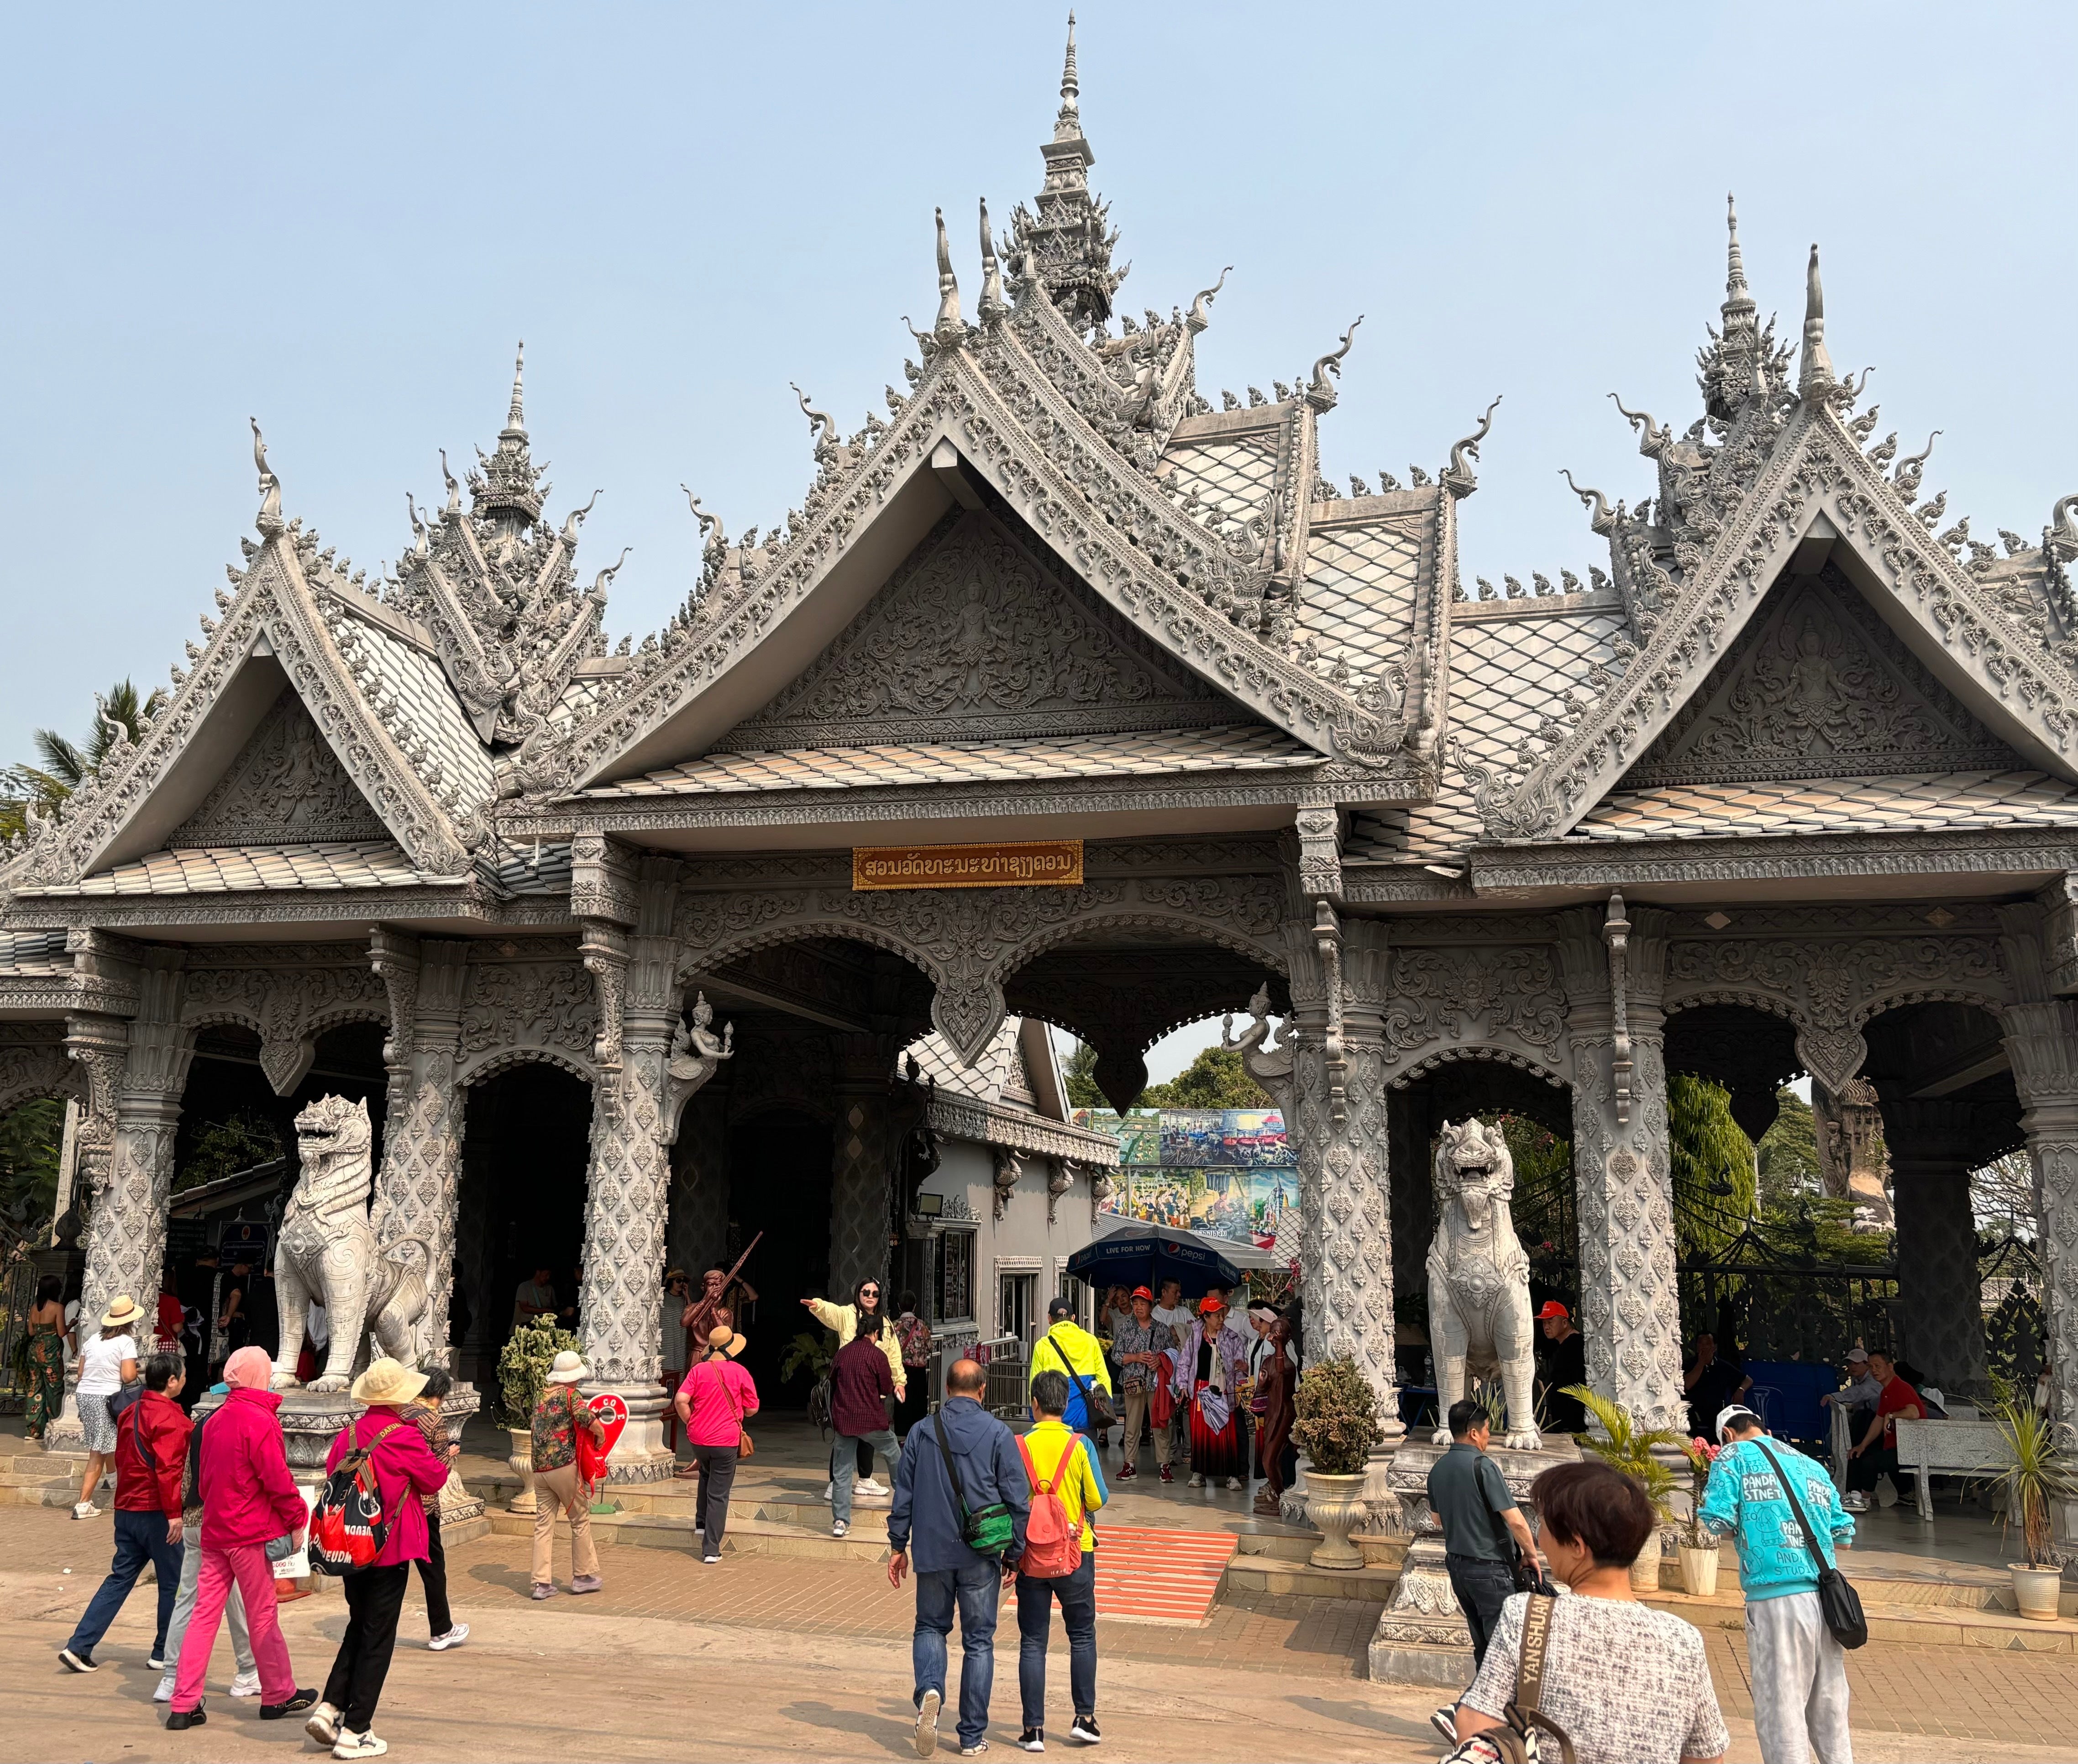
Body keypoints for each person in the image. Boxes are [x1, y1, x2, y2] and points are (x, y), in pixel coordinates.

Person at [1449, 1460, 1730, 1764]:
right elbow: (1706, 1755)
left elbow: (1474, 1725)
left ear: (1577, 1545)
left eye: (1545, 1524)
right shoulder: (1684, 1639)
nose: (1540, 1537)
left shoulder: (1527, 1617)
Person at [302, 1359, 452, 1760]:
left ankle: (331, 1706)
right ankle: (357, 1730)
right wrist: (447, 1455)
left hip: (350, 1547)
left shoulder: (347, 1433)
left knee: (361, 1625)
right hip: (390, 1547)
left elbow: (336, 1476)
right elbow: (434, 1478)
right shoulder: (402, 1435)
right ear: (401, 1396)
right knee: (378, 1638)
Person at [165, 1345, 315, 1733]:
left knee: (203, 1615)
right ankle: (278, 1693)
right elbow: (277, 1479)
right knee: (262, 1613)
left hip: (216, 1531)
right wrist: (298, 1515)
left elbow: (203, 1481)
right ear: (259, 1377)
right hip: (249, 1533)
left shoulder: (213, 1422)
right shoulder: (259, 1419)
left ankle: (184, 1702)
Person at [889, 1357, 1030, 1759]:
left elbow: (904, 1493)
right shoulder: (1000, 1433)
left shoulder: (920, 1431)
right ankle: (970, 1737)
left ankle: (930, 1689)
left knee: (931, 1626)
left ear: (946, 1389)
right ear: (982, 1390)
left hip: (932, 1550)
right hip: (981, 1554)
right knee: (979, 1641)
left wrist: (898, 1546)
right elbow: (1018, 1500)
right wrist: (1014, 1554)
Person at [1701, 1406, 1854, 1764]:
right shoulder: (1809, 1463)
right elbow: (1844, 1535)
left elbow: (1716, 1522)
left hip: (1776, 1598)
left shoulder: (1731, 1455)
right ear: (1763, 1427)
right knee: (1830, 1705)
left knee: (1781, 1705)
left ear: (1727, 1434)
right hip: (1827, 1599)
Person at [60, 1351, 189, 1674]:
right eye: (182, 1375)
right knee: (173, 1582)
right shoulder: (173, 1420)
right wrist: (175, 1514)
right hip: (157, 1511)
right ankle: (163, 1651)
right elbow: (169, 1470)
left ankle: (80, 1645)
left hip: (127, 1507)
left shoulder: (130, 1411)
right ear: (172, 1381)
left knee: (119, 1578)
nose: (185, 1380)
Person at [1013, 1368, 1107, 1752]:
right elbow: (1098, 1499)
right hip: (1075, 1552)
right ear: (1066, 1405)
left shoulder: (1018, 1445)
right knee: (1082, 1635)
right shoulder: (1081, 1445)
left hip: (1031, 1553)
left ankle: (1033, 1729)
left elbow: (1011, 1497)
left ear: (1034, 1404)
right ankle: (1084, 1718)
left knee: (1033, 1641)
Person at [154, 1374, 262, 1705]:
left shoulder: (202, 1424)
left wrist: (184, 1514)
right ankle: (246, 1670)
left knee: (198, 1598)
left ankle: (173, 1676)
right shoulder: (244, 1423)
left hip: (196, 1519)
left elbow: (187, 1474)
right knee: (237, 1599)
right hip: (225, 1523)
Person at [1427, 1399, 1543, 1678]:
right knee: (1503, 1649)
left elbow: (1437, 1520)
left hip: (1458, 1568)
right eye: (1487, 1429)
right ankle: (1494, 1712)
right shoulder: (1483, 1467)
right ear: (1474, 1433)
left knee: (1482, 1646)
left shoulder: (1437, 1471)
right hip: (1489, 1570)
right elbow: (1515, 1521)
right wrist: (1531, 1555)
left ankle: (1481, 1706)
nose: (1490, 1435)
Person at [805, 1278, 904, 1498]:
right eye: (865, 1292)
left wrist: (900, 1381)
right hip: (848, 1388)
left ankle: (866, 1480)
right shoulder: (848, 1314)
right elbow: (832, 1312)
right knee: (845, 1436)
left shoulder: (885, 1323)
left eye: (875, 1294)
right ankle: (835, 1482)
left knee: (868, 1435)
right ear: (858, 1293)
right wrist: (818, 1305)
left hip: (872, 1389)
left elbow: (894, 1354)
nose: (870, 1296)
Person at [675, 1326, 758, 1563]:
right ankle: (711, 1549)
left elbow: (681, 1400)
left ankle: (701, 1523)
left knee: (705, 1473)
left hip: (698, 1439)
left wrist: (691, 1422)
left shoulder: (698, 1370)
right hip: (726, 1440)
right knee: (719, 1493)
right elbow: (752, 1410)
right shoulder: (740, 1372)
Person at [530, 1349, 606, 1597]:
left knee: (543, 1525)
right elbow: (589, 1420)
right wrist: (601, 1436)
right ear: (573, 1376)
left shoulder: (540, 1396)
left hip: (540, 1469)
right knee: (580, 1519)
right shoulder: (571, 1396)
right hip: (564, 1466)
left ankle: (541, 1584)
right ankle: (583, 1576)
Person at [404, 1365, 468, 1651]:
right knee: (433, 1568)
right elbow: (438, 1470)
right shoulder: (433, 1420)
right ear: (440, 1395)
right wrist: (450, 1453)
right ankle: (441, 1629)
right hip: (424, 1506)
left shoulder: (401, 1413)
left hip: (396, 1505)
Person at [1171, 1294, 1250, 1490]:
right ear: (1205, 1317)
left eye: (1222, 1314)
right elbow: (1185, 1362)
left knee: (1227, 1432)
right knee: (1201, 1432)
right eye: (1216, 1316)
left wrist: (1241, 1386)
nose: (1221, 1319)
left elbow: (1241, 1366)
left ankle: (1232, 1475)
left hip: (1225, 1390)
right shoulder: (1195, 1337)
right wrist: (1182, 1385)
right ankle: (1199, 1473)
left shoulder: (1232, 1338)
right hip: (1201, 1389)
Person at [74, 1294, 142, 1518]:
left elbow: (81, 1372)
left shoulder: (92, 1340)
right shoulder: (126, 1342)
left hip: (85, 1395)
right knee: (98, 1451)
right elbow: (128, 1375)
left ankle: (112, 1479)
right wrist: (138, 1368)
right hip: (107, 1398)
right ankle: (83, 1503)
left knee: (108, 1440)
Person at [831, 1327, 899, 1539]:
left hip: (844, 1420)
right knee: (893, 1452)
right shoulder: (878, 1355)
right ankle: (907, 1495)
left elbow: (832, 1379)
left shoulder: (843, 1353)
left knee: (842, 1471)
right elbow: (887, 1387)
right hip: (870, 1420)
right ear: (876, 1333)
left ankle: (840, 1522)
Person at [1108, 1286, 1175, 1482]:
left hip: (1155, 1384)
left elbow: (1173, 1354)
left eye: (1142, 1304)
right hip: (1133, 1383)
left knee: (1160, 1423)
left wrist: (1160, 1360)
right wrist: (1136, 1357)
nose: (1138, 1308)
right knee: (1132, 1425)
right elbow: (1116, 1355)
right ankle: (1129, 1464)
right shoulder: (1126, 1328)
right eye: (1135, 1304)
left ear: (1150, 1306)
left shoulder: (1161, 1329)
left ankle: (1165, 1465)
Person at [1845, 1347, 1924, 1513]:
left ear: (1890, 1367)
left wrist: (1892, 1415)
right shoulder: (1886, 1391)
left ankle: (1864, 1500)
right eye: (1871, 1367)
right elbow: (1879, 1419)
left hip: (1910, 1449)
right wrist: (1863, 1445)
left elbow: (1914, 1412)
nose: (1874, 1370)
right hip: (1895, 1446)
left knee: (1871, 1461)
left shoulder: (1900, 1387)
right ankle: (1854, 1495)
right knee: (1857, 1453)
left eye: (1878, 1366)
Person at [1029, 1296, 1112, 1434]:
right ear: (1073, 1318)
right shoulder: (1090, 1341)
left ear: (1050, 1318)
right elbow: (1103, 1378)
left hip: (1054, 1421)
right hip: (1085, 1420)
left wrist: (1035, 1415)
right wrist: (1106, 1408)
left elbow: (1035, 1385)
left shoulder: (1043, 1346)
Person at [1252, 1316, 1299, 1517]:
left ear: (1287, 1338)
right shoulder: (1269, 1361)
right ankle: (1276, 1494)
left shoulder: (1288, 1364)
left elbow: (1281, 1369)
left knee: (1269, 1459)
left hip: (1284, 1413)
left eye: (1279, 1332)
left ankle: (1280, 1494)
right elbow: (1264, 1386)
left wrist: (1279, 1345)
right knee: (1273, 1458)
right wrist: (1262, 1384)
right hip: (1272, 1412)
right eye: (1274, 1331)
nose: (1275, 1335)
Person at [1150, 1279, 1193, 1469]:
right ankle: (1169, 1452)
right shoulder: (1155, 1315)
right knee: (1167, 1412)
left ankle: (1189, 1451)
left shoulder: (1184, 1312)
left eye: (1180, 1291)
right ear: (1164, 1292)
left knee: (1187, 1412)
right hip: (1165, 1372)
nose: (1178, 1295)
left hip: (1186, 1370)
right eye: (1175, 1291)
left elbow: (1195, 1333)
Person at [1684, 1332, 1752, 1444]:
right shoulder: (1688, 1364)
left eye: (1708, 1344)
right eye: (1701, 1344)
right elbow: (1687, 1384)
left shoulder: (1722, 1366)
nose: (1704, 1347)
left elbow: (1748, 1380)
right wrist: (1701, 1363)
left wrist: (1741, 1390)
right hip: (1692, 1413)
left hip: (1715, 1413)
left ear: (1714, 1347)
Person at [26, 1274, 69, 1441]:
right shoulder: (58, 1307)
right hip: (50, 1351)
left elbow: (31, 1332)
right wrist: (71, 1325)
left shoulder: (34, 1308)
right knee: (55, 1388)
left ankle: (33, 1430)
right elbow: (61, 1332)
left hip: (34, 1350)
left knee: (34, 1388)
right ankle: (55, 1424)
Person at [1537, 1301, 1588, 1434]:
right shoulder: (1562, 1346)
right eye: (1544, 1323)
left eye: (1550, 1322)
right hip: (1565, 1422)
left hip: (1573, 1423)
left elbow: (1576, 1385)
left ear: (1565, 1323)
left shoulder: (1575, 1345)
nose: (1546, 1327)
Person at [661, 1269, 693, 1466]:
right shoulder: (662, 1298)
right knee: (665, 1373)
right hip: (664, 1343)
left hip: (679, 1342)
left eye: (684, 1281)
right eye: (678, 1281)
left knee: (678, 1372)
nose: (681, 1284)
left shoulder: (684, 1302)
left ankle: (675, 1407)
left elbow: (692, 1314)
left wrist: (688, 1294)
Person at [893, 1291, 934, 1436]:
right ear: (915, 1306)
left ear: (899, 1306)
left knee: (902, 1402)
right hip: (919, 1370)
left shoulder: (895, 1326)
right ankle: (918, 1433)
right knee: (918, 1402)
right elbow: (930, 1347)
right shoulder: (922, 1326)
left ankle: (902, 1433)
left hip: (901, 1370)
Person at [513, 1265, 561, 1329]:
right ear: (538, 1273)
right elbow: (525, 1308)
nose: (548, 1278)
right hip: (526, 1326)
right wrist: (547, 1311)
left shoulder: (550, 1289)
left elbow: (555, 1306)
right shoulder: (524, 1287)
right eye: (546, 1275)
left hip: (544, 1326)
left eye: (549, 1275)